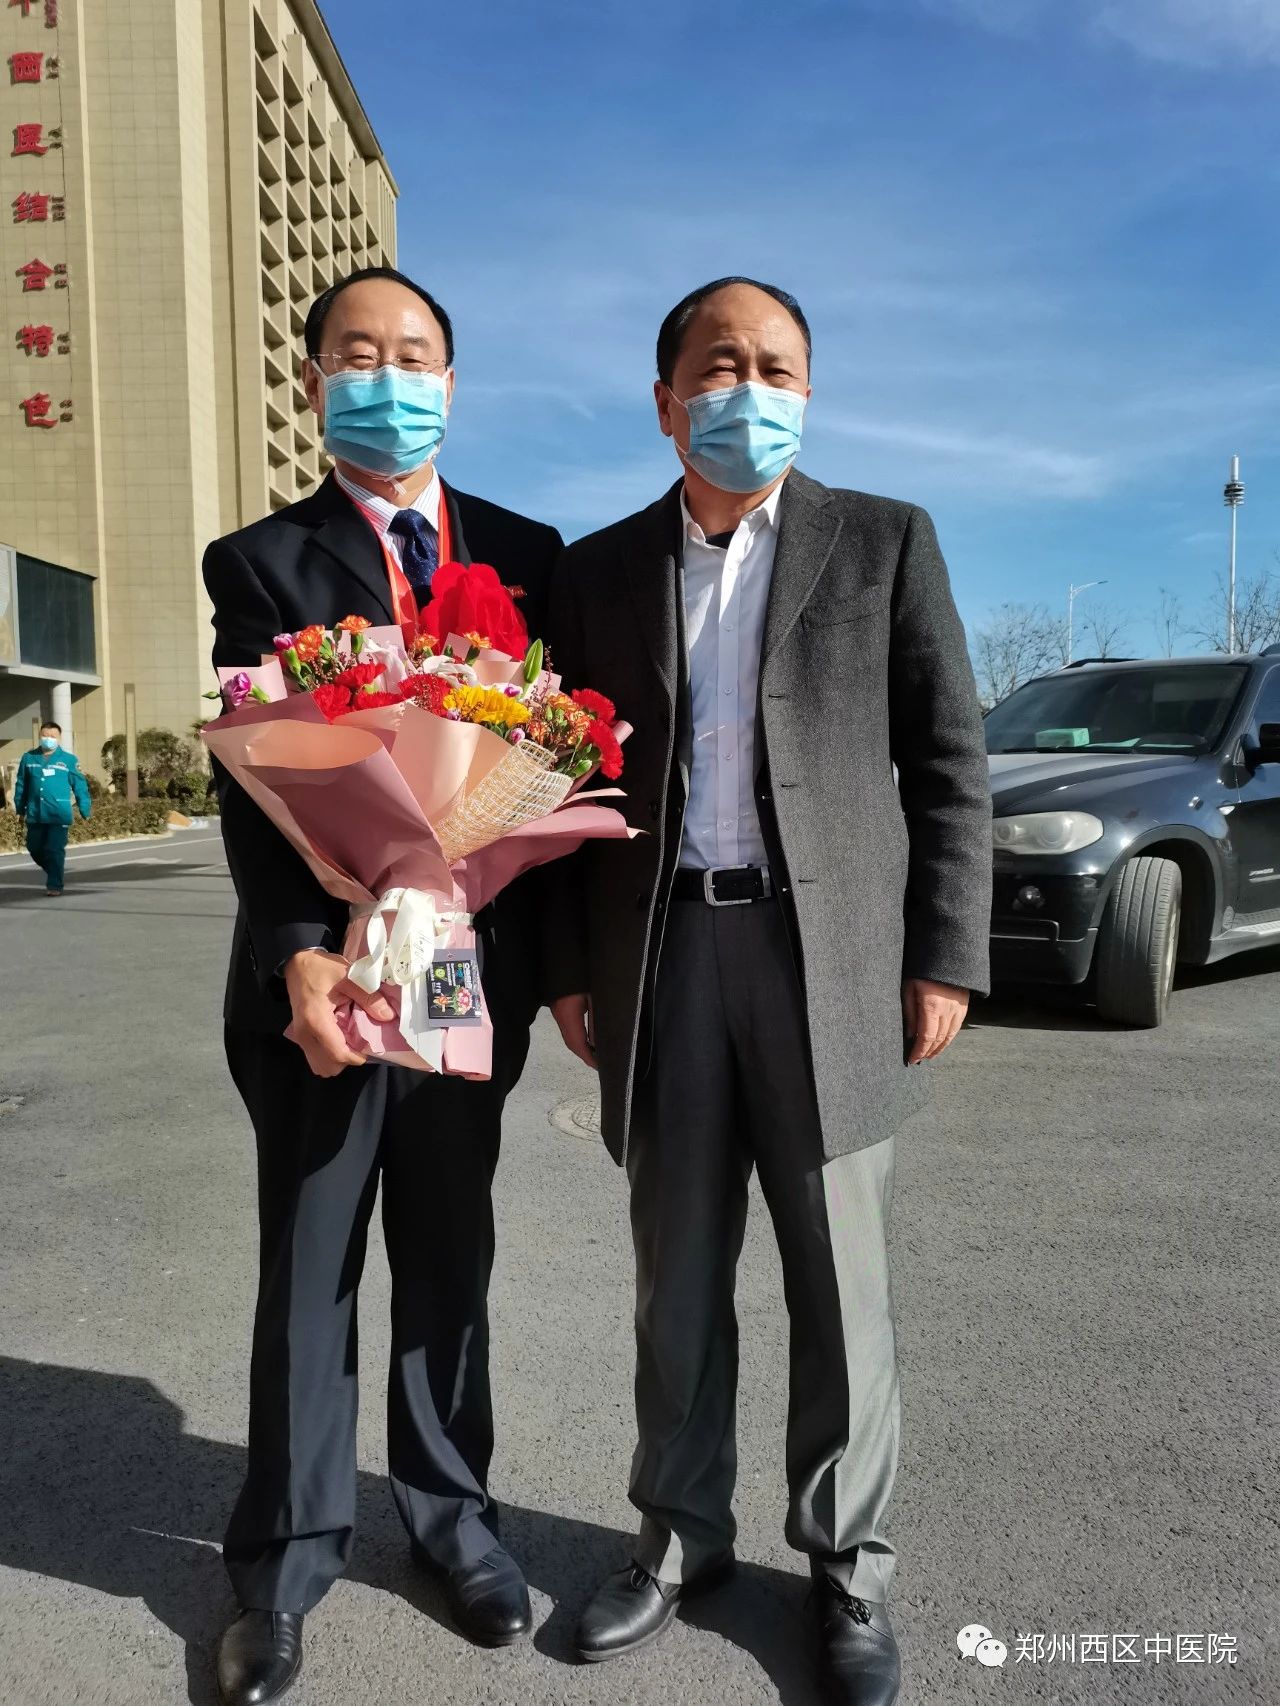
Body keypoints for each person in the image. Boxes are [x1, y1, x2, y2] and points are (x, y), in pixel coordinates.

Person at [545, 278, 993, 1705]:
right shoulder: (597, 571)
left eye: (778, 367)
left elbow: (950, 761)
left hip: (832, 963)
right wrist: (567, 967)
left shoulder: (884, 541)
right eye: (721, 364)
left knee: (839, 1285)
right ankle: (677, 1535)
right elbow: (558, 780)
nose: (751, 390)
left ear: (808, 391)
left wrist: (945, 951)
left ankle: (849, 1564)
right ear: (665, 399)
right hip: (664, 955)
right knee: (674, 1276)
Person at [204, 266, 562, 1706]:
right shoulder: (259, 560)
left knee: (449, 1251)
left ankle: (454, 1521)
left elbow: (561, 757)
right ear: (314, 383)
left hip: (469, 979)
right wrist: (298, 946)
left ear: (452, 383)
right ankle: (283, 1562)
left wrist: (559, 970)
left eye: (414, 355)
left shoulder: (529, 553)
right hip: (322, 989)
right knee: (311, 1262)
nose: (387, 377)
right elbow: (252, 776)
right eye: (358, 354)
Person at [13, 722, 91, 895]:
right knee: (34, 848)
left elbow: (80, 786)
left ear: (59, 738)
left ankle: (54, 885)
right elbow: (21, 785)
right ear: (40, 736)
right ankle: (56, 872)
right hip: (35, 812)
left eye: (52, 736)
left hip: (58, 814)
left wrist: (85, 808)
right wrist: (20, 809)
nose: (48, 739)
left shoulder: (69, 760)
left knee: (54, 849)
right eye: (45, 735)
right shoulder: (28, 758)